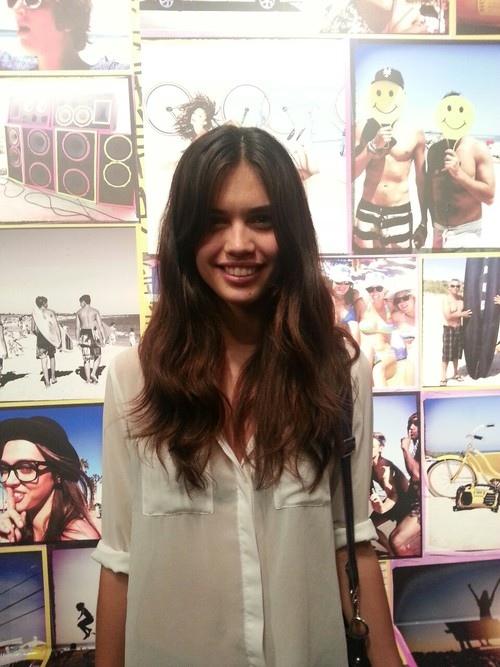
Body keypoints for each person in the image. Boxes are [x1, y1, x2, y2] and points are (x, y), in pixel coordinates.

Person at [92, 126, 400, 666]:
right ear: (186, 235)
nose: (238, 243)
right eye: (215, 221)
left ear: (291, 231)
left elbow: (350, 542)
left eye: (261, 219)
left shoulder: (340, 373)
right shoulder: (133, 379)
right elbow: (120, 560)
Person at [353, 68, 426, 251]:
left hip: (399, 212)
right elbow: (351, 174)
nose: (385, 99)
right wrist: (372, 146)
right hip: (367, 208)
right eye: (380, 91)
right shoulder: (362, 128)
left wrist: (424, 222)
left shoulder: (415, 133)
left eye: (392, 92)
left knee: (398, 265)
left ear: (402, 96)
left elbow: (421, 181)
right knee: (363, 264)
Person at [0, 416, 100, 543]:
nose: (9, 481)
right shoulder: (19, 532)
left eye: (26, 468)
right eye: (4, 469)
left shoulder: (76, 539)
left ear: (58, 473)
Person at [427, 92, 495, 249]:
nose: (453, 117)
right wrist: (427, 223)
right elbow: (429, 192)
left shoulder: (478, 149)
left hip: (466, 232)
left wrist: (459, 174)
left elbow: (489, 197)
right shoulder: (434, 150)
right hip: (438, 230)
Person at [0, 0, 125, 71]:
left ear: (69, 13)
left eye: (32, 0)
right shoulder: (9, 70)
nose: (17, 9)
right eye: (13, 1)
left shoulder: (114, 78)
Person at [370, 431, 419, 557]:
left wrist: (382, 508)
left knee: (397, 540)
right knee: (369, 525)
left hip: (404, 503)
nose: (368, 450)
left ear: (381, 448)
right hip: (395, 501)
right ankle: (391, 552)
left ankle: (394, 554)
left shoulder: (385, 468)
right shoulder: (371, 466)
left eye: (372, 447)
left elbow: (393, 495)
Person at [359, 271, 397, 387]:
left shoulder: (390, 306)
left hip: (385, 355)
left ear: (384, 289)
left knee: (378, 371)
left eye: (379, 288)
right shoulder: (361, 305)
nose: (374, 292)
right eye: (370, 289)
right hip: (365, 355)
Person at [324, 262, 365, 343]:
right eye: (339, 282)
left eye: (347, 282)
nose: (343, 286)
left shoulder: (355, 298)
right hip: (329, 341)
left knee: (354, 325)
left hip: (350, 343)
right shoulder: (324, 299)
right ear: (331, 281)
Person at [441, 279, 471, 385]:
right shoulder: (446, 300)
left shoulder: (461, 299)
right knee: (446, 355)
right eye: (453, 286)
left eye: (458, 286)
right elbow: (448, 316)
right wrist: (462, 314)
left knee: (456, 353)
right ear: (449, 287)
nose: (455, 288)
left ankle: (456, 373)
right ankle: (443, 377)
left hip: (459, 329)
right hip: (449, 329)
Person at [32, 296, 61, 389]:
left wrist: (39, 335)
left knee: (43, 360)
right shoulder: (51, 312)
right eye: (46, 302)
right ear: (44, 303)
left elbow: (33, 329)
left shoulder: (35, 314)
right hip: (50, 338)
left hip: (41, 339)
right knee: (52, 356)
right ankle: (53, 377)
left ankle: (47, 383)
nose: (47, 304)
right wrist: (59, 339)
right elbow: (56, 327)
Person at [76, 294, 106, 385]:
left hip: (84, 335)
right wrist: (103, 337)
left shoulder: (79, 312)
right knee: (98, 355)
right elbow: (100, 326)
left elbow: (77, 328)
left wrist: (77, 340)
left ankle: (88, 380)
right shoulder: (95, 311)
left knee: (86, 359)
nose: (80, 304)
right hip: (94, 335)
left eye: (80, 302)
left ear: (84, 302)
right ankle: (93, 373)